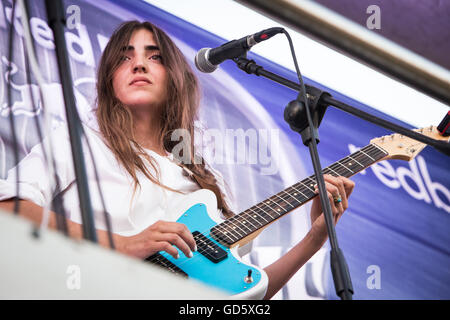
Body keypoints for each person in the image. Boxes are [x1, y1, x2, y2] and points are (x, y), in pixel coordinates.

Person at [0, 21, 355, 300]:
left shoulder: (202, 182)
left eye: (154, 57)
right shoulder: (80, 140)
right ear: (109, 80)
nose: (138, 63)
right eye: (124, 57)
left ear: (174, 79)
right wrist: (125, 245)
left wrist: (314, 239)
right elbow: (9, 208)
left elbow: (244, 298)